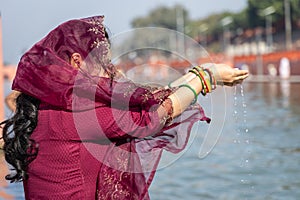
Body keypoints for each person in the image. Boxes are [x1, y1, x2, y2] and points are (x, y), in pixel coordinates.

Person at [0, 15, 248, 199]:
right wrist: (208, 78)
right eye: (102, 61)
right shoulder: (78, 115)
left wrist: (200, 75)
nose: (109, 70)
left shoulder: (47, 107)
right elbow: (151, 118)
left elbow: (153, 104)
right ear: (77, 62)